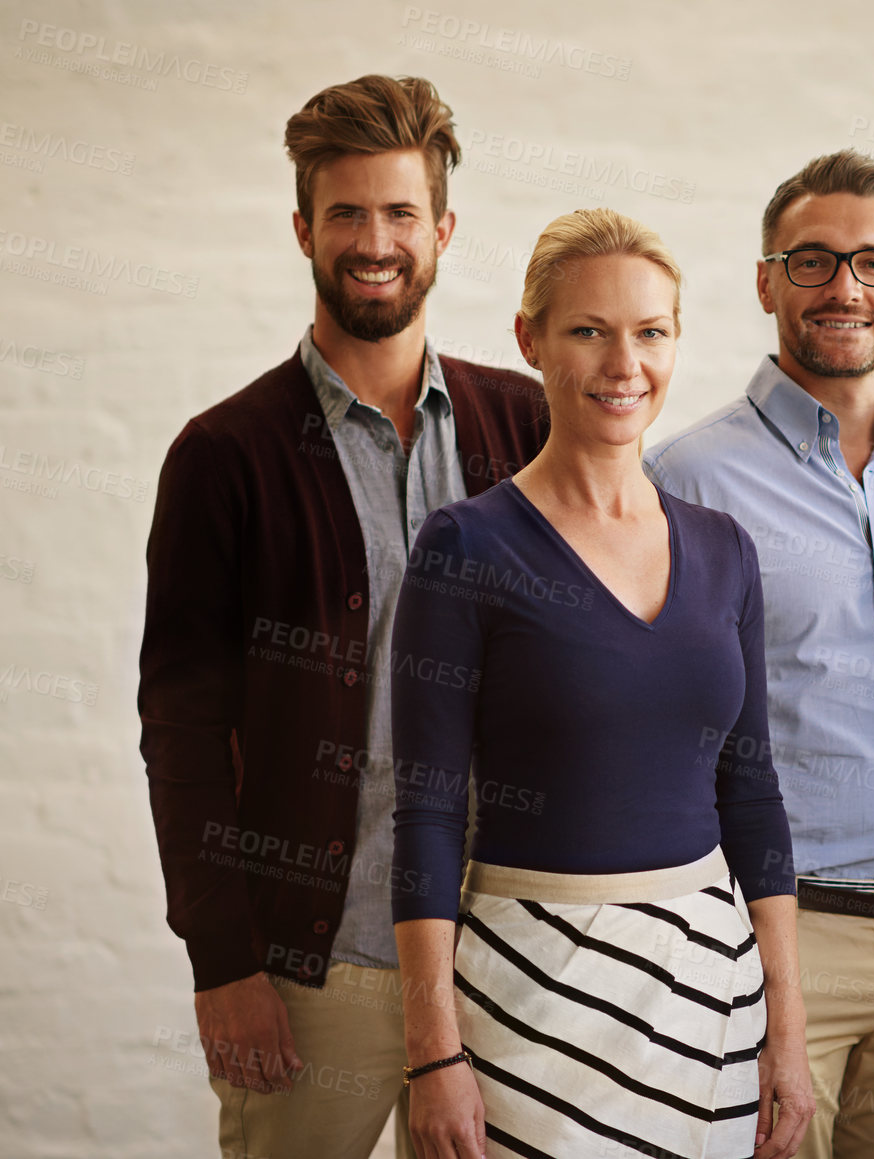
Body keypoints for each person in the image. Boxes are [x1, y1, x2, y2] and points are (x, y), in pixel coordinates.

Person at [137, 74, 547, 1159]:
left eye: (400, 212)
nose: (376, 241)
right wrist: (222, 961)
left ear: (443, 228)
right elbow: (179, 732)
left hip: (508, 957)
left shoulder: (527, 422)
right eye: (348, 214)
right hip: (321, 966)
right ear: (303, 230)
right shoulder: (225, 456)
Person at [390, 207, 815, 1159]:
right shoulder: (466, 546)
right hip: (530, 979)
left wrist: (783, 1024)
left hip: (710, 985)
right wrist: (433, 1054)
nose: (624, 362)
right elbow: (421, 811)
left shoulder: (724, 550)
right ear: (530, 340)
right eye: (589, 330)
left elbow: (752, 797)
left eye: (650, 332)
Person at [643, 150, 874, 1159]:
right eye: (812, 261)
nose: (845, 286)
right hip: (779, 946)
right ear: (767, 280)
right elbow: (668, 740)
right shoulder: (687, 482)